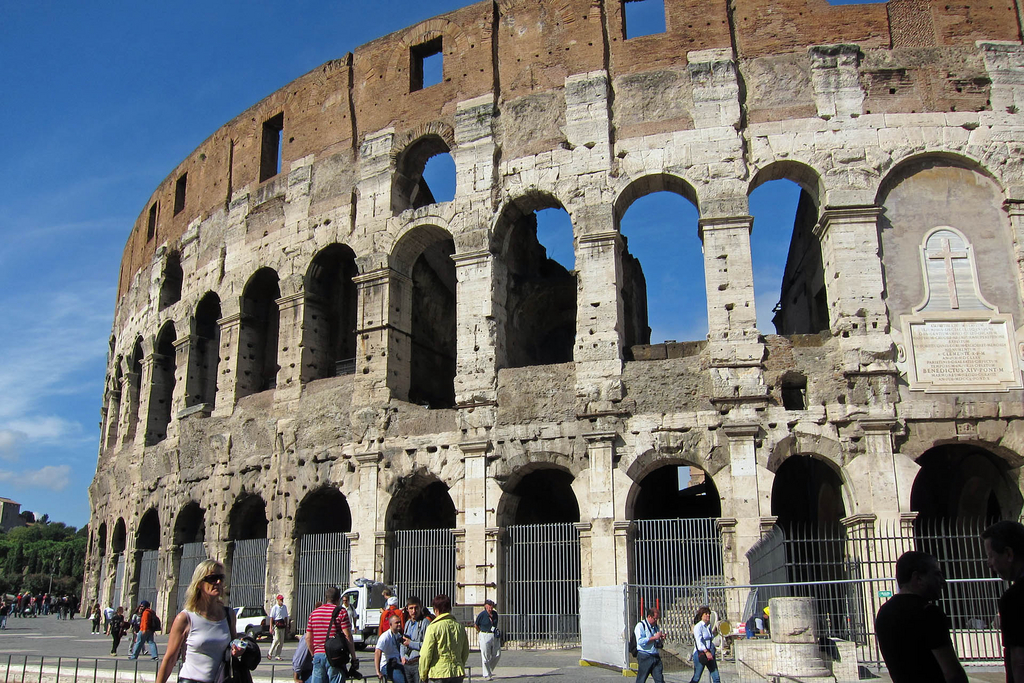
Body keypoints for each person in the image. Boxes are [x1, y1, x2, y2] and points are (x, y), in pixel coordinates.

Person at [156, 559, 259, 683]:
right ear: (199, 583)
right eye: (212, 578)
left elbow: (232, 647)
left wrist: (238, 650)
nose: (218, 582)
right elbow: (170, 659)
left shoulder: (229, 614)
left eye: (221, 577)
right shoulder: (185, 618)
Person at [875, 551, 967, 683]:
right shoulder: (929, 613)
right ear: (917, 578)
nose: (943, 581)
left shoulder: (883, 612)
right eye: (937, 574)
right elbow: (952, 673)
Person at [984, 520, 1024, 683]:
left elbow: (1019, 660)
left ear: (1008, 554)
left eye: (991, 556)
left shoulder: (1015, 598)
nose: (989, 563)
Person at [305, 586, 358, 683]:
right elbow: (348, 636)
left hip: (318, 655)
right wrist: (354, 657)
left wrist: (314, 654)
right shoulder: (341, 612)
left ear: (326, 598)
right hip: (335, 656)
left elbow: (308, 638)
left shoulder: (314, 613)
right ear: (338, 599)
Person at [419, 595, 468, 683]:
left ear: (436, 610)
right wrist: (459, 664)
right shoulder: (460, 627)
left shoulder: (433, 627)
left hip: (438, 673)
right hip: (457, 672)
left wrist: (423, 674)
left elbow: (425, 654)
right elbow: (465, 651)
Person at [401, 596, 431, 683]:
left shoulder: (425, 623)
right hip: (407, 663)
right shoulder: (407, 623)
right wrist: (402, 656)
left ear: (420, 607)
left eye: (416, 608)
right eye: (411, 608)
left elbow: (427, 645)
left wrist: (411, 644)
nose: (414, 611)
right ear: (407, 609)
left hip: (418, 663)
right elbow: (403, 642)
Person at [688, 606, 720, 683]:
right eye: (706, 614)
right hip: (701, 653)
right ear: (701, 615)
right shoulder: (698, 626)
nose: (708, 615)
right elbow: (699, 642)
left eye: (708, 613)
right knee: (696, 677)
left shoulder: (707, 627)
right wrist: (706, 651)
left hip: (710, 652)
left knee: (716, 677)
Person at [634, 608, 666, 683]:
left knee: (660, 679)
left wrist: (661, 638)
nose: (656, 621)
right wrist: (654, 637)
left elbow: (656, 640)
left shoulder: (656, 627)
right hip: (645, 655)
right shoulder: (641, 626)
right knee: (641, 679)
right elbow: (640, 641)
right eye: (655, 619)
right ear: (649, 616)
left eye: (657, 619)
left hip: (655, 655)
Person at [475, 599, 501, 681]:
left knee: (497, 654)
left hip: (494, 634)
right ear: (485, 606)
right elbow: (476, 625)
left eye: (492, 605)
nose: (491, 607)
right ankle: (486, 674)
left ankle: (488, 669)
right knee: (485, 654)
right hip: (484, 634)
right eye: (489, 605)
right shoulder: (482, 614)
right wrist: (480, 632)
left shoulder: (495, 614)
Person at [375, 614, 406, 682]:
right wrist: (378, 671)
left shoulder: (398, 635)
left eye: (400, 622)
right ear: (390, 624)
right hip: (387, 665)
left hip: (397, 663)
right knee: (401, 681)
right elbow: (377, 652)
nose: (399, 624)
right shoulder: (385, 637)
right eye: (396, 623)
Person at [270, 594, 289, 660]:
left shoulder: (284, 607)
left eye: (282, 599)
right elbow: (271, 618)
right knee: (276, 639)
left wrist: (287, 626)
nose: (281, 601)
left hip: (282, 624)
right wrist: (270, 627)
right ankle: (270, 653)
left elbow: (286, 617)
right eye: (280, 599)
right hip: (277, 625)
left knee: (281, 641)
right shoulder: (275, 607)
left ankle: (277, 655)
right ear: (277, 600)